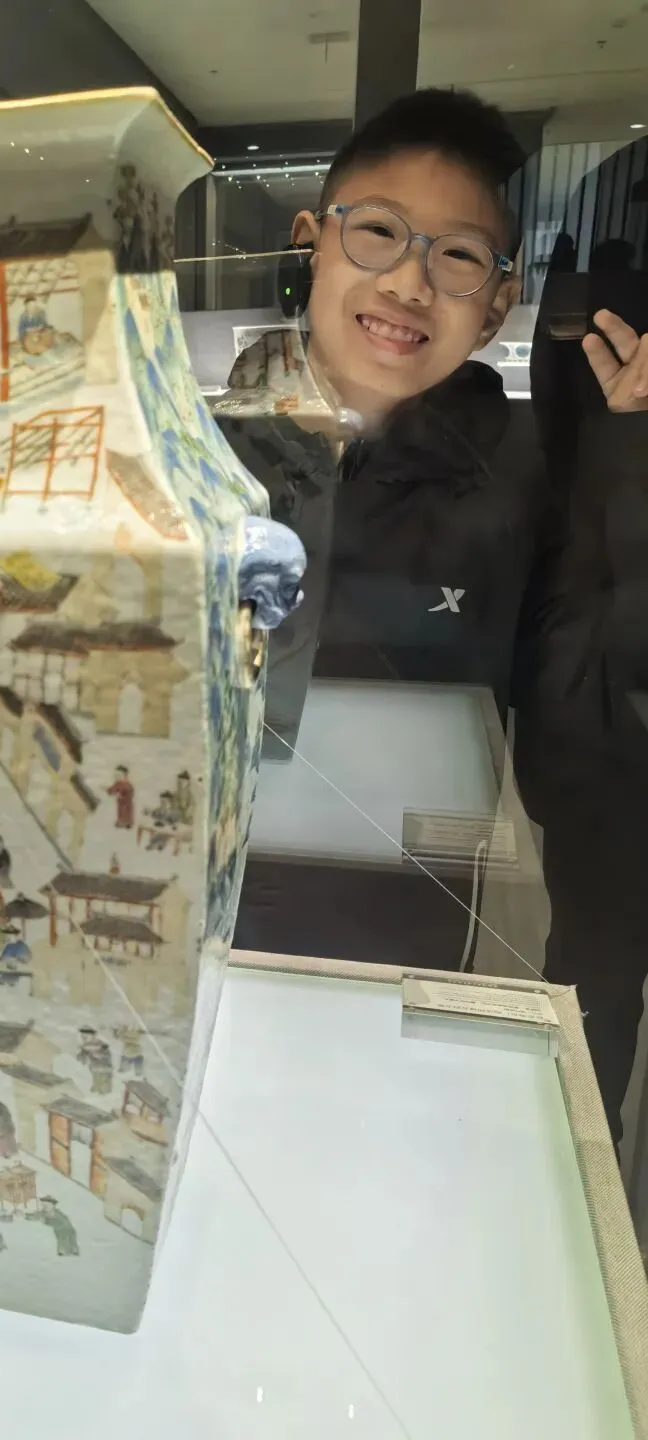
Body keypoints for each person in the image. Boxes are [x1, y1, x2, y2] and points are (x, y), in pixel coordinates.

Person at [230, 89, 546, 971]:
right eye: (378, 231)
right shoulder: (201, 458)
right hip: (203, 887)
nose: (410, 284)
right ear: (310, 242)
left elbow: (585, 714)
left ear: (496, 306)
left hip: (401, 921)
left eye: (458, 255)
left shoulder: (523, 484)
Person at [516, 133, 648, 1142]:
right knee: (591, 989)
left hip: (594, 745)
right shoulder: (579, 451)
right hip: (594, 755)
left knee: (592, 986)